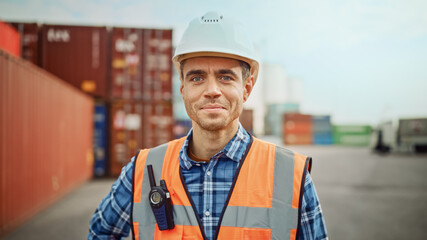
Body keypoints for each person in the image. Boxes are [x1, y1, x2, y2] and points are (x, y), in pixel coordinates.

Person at [89, 11, 327, 240]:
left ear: (246, 88)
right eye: (197, 78)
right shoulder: (142, 171)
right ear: (183, 89)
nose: (212, 90)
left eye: (226, 77)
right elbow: (100, 233)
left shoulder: (291, 176)